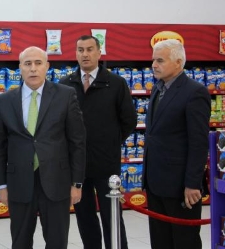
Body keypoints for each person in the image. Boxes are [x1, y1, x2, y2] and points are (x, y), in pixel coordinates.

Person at [0, 45, 85, 249]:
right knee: (20, 241)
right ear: (20, 68)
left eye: (38, 63)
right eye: (27, 64)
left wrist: (76, 183)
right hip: (18, 183)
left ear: (47, 66)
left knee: (57, 241)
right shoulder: (4, 101)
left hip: (57, 181)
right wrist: (1, 185)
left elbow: (77, 141)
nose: (33, 68)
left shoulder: (65, 95)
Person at [60, 35, 137, 249]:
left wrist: (110, 142)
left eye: (89, 49)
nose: (85, 54)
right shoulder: (65, 84)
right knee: (85, 218)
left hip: (107, 165)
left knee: (112, 217)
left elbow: (129, 120)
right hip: (77, 166)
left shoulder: (116, 83)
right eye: (80, 50)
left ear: (99, 52)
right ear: (76, 53)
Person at [143, 38, 211, 249]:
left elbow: (198, 142)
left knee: (184, 241)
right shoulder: (158, 88)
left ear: (179, 62)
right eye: (153, 60)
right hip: (155, 182)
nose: (154, 65)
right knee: (160, 240)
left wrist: (192, 183)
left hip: (180, 185)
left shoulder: (195, 92)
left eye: (160, 60)